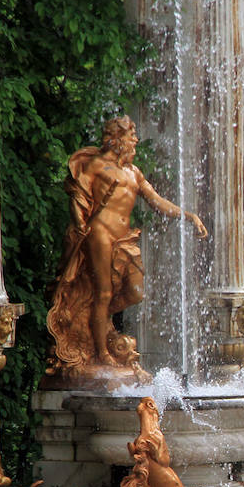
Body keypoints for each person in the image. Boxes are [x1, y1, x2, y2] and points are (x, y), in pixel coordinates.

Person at [47, 115, 208, 378]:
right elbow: (78, 195)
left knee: (135, 292)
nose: (135, 141)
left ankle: (93, 317)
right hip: (100, 233)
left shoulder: (134, 172)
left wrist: (188, 216)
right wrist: (78, 221)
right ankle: (102, 352)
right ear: (116, 139)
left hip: (125, 238)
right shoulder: (97, 165)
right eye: (131, 136)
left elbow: (157, 201)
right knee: (104, 293)